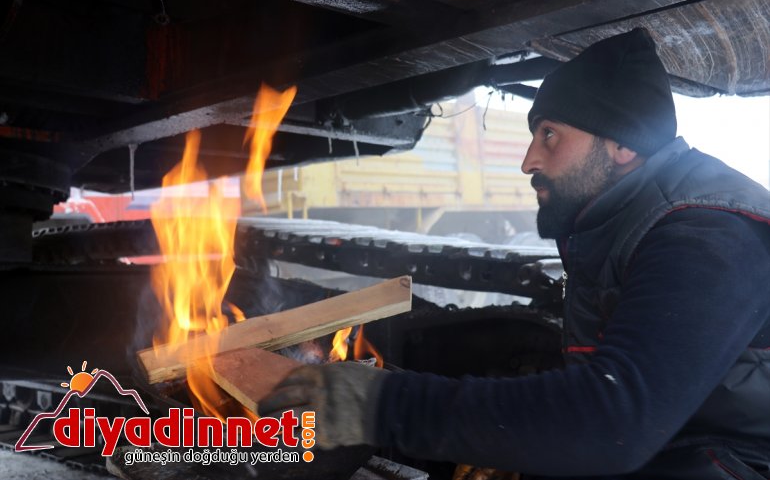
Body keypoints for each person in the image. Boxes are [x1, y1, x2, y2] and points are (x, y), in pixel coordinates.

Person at [259, 28, 770, 479]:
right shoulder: (619, 226)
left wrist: (380, 405)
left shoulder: (705, 234)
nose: (529, 160)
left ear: (622, 144)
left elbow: (615, 420)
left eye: (550, 135)